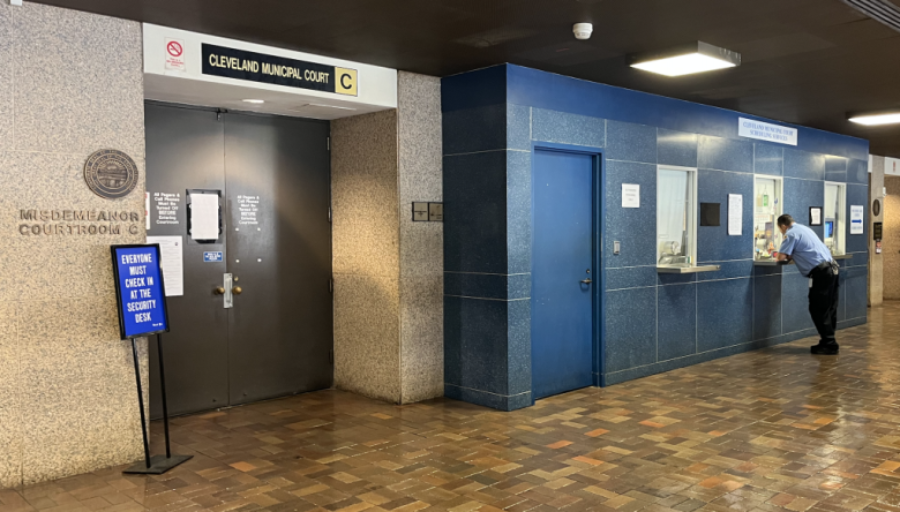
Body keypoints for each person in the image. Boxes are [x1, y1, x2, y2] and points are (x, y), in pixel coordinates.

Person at [774, 214, 840, 355]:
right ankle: (828, 340)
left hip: (821, 273)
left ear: (783, 226)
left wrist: (784, 255)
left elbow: (781, 257)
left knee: (818, 308)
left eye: (780, 230)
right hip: (832, 269)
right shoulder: (804, 229)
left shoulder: (790, 234)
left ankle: (829, 343)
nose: (782, 232)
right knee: (829, 307)